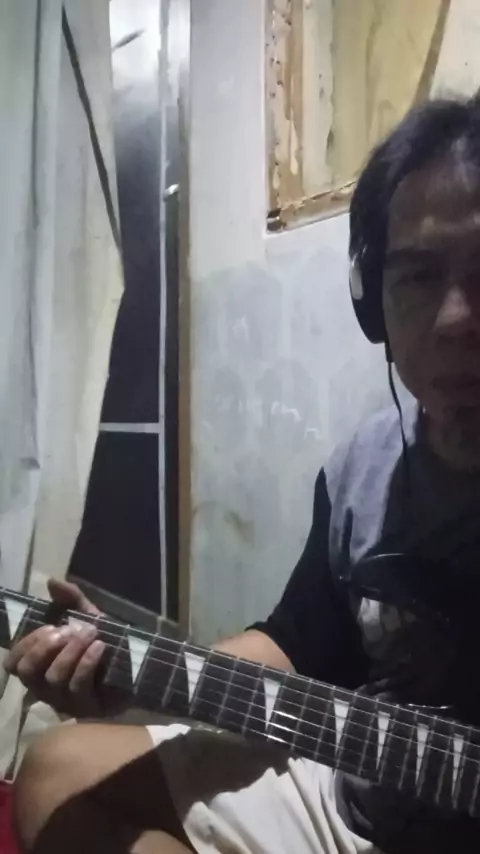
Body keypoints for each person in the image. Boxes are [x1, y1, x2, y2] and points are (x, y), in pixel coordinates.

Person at [8, 92, 480, 854]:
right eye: (420, 277)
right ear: (373, 303)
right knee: (57, 774)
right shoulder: (363, 472)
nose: (456, 318)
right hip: (357, 806)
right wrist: (129, 668)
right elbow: (296, 643)